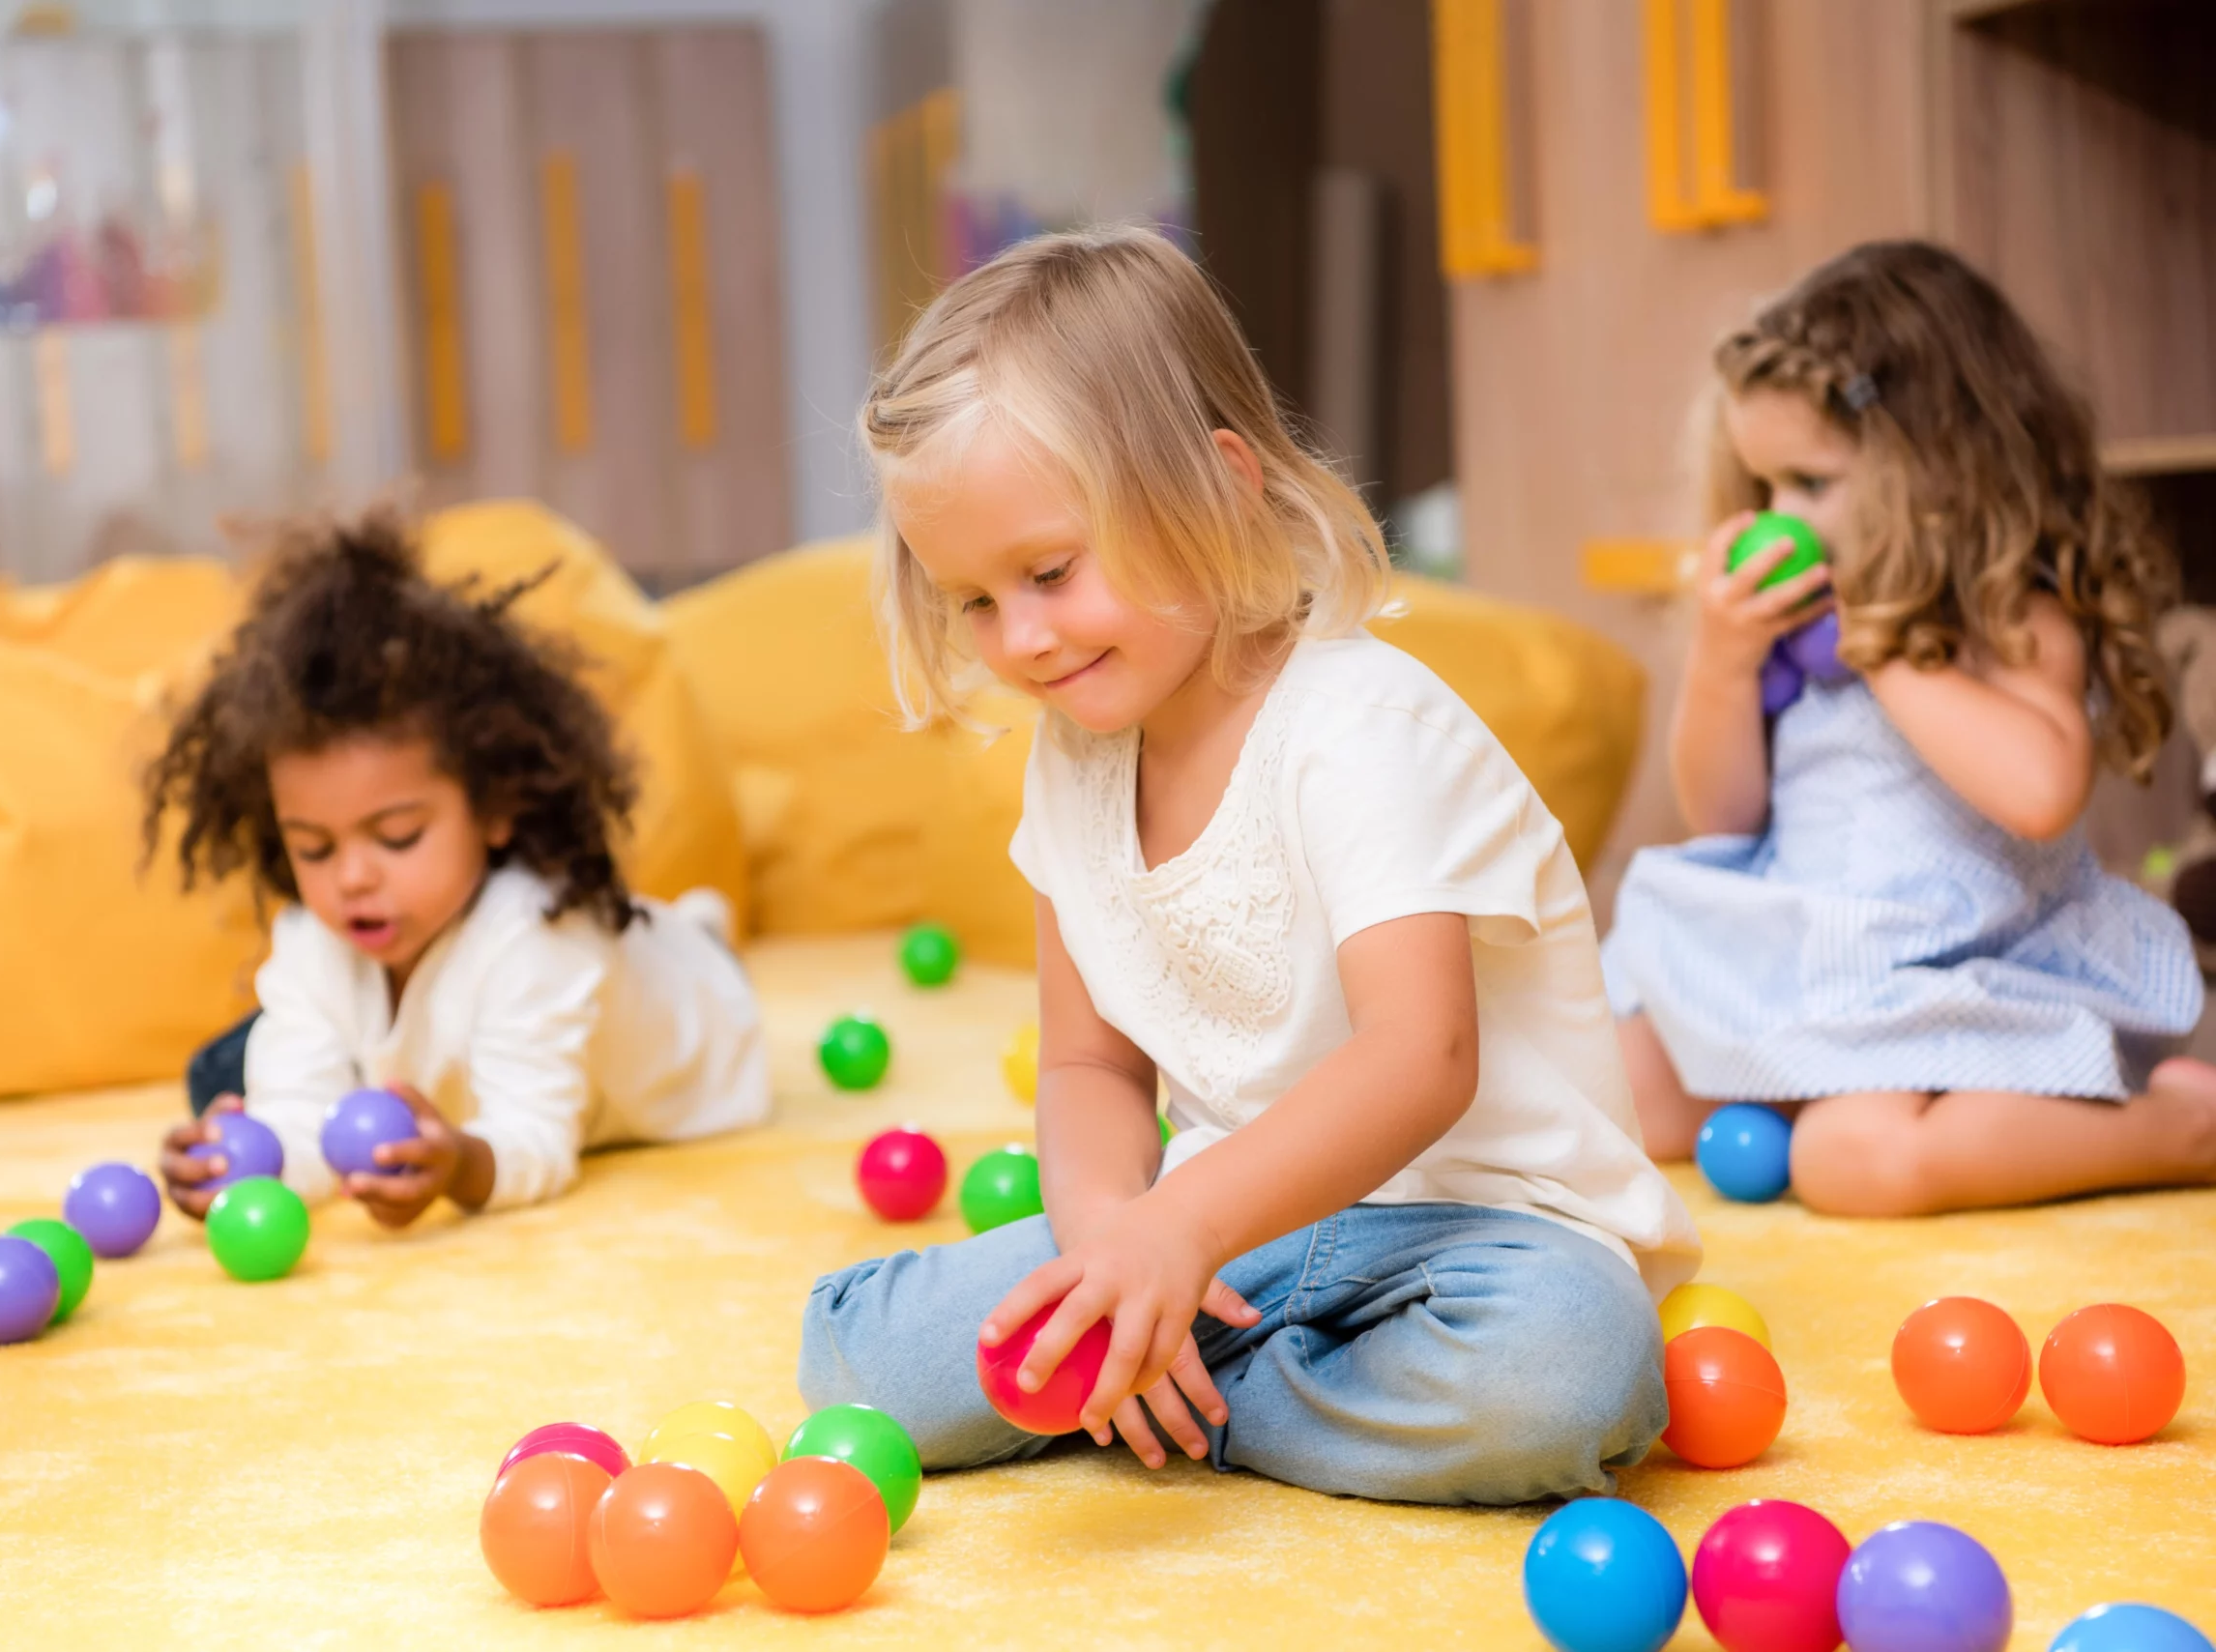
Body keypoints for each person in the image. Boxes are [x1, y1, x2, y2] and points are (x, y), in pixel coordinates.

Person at [799, 226, 1700, 1505]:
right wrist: (1118, 1241)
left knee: (1561, 1374)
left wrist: (1178, 1233)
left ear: (1222, 485)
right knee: (858, 1357)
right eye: (976, 602)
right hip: (1231, 1244)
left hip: (1472, 1240)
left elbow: (1419, 1057)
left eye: (1050, 572)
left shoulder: (1361, 726)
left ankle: (1196, 1409)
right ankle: (1218, 1379)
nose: (1024, 638)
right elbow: (1087, 1062)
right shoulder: (1077, 761)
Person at [1606, 240, 2216, 1217]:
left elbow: (2040, 785)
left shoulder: (2008, 612)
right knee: (1608, 1094)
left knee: (1854, 1164)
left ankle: (2174, 1129)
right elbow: (1719, 815)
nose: (1777, 517)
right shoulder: (1793, 625)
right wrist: (1721, 665)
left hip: (1960, 968)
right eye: (1762, 485)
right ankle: (1813, 1081)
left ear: (1937, 469)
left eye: (1809, 483)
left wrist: (1884, 650)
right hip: (1807, 946)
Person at [140, 512, 769, 1228]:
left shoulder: (538, 936)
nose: (351, 878)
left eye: (398, 836)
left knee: (657, 964)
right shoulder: (314, 939)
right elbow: (304, 1121)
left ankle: (700, 936)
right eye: (313, 847)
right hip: (487, 1052)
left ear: (495, 807)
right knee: (228, 1074)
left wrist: (461, 1167)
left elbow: (537, 1137)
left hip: (698, 1030)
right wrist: (246, 1164)